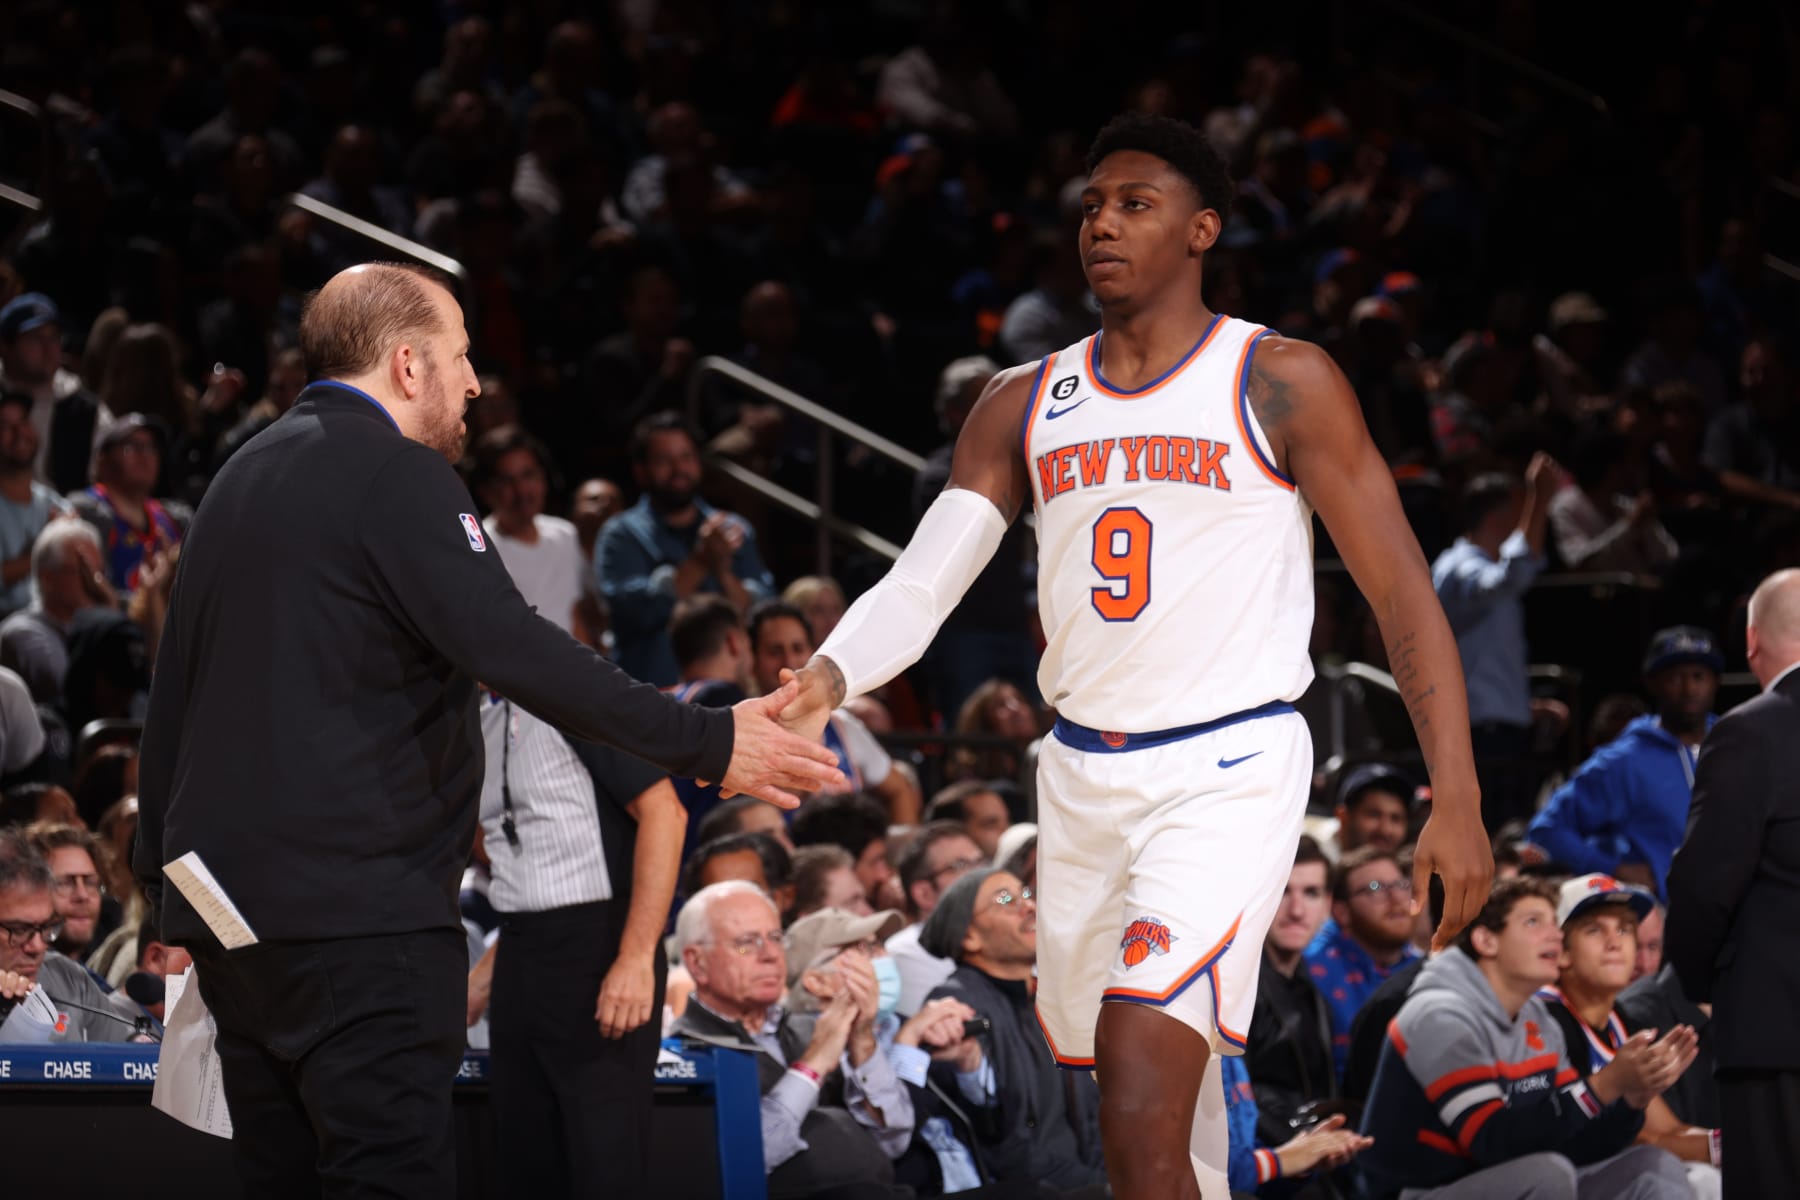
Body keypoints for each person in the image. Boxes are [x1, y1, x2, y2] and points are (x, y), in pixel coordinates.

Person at [779, 112, 1491, 1200]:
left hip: (1227, 763)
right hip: (1079, 774)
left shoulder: (1279, 379)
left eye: (1135, 204)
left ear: (1202, 230)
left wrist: (1461, 794)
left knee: (1137, 1068)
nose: (1103, 223)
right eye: (1092, 205)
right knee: (1157, 1120)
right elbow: (926, 579)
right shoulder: (1020, 400)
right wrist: (827, 678)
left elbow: (1403, 595)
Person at [132, 263, 842, 1199]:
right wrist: (707, 740)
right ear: (406, 364)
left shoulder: (235, 477)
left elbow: (172, 694)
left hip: (234, 927)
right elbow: (512, 644)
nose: (475, 382)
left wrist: (161, 884)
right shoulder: (397, 472)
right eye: (462, 357)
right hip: (361, 921)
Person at [459, 693, 686, 1199]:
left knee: (602, 1166)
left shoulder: (572, 696)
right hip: (519, 948)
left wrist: (635, 957)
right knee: (524, 1164)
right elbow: (523, 868)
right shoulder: (472, 722)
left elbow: (666, 815)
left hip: (602, 950)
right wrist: (483, 979)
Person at [1357, 878, 1695, 1200]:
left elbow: (1576, 1140)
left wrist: (1633, 1099)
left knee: (1651, 1165)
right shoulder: (1439, 1016)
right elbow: (1492, 1140)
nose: (1554, 935)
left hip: (1504, 1179)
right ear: (1486, 940)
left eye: (1554, 923)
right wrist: (1605, 1084)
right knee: (1547, 1174)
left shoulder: (1538, 1019)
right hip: (1419, 1190)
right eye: (1534, 922)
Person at [1666, 568, 1800, 1200]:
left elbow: (1704, 882)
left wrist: (1697, 981)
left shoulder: (1754, 731)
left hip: (1779, 1033)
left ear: (1752, 645)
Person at [670, 880, 915, 1197]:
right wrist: (810, 1068)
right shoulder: (684, 1055)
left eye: (775, 938)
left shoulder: (807, 1028)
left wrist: (863, 1040)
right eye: (747, 943)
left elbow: (894, 1140)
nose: (770, 954)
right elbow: (739, 1160)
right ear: (697, 963)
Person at [921, 867, 1109, 1194]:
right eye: (1005, 900)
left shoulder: (1051, 998)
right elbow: (1002, 1143)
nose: (1029, 906)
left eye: (1026, 894)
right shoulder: (956, 1007)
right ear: (969, 936)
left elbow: (1093, 1116)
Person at [1525, 628, 1722, 898]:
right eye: (1676, 677)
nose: (1689, 688)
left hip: (1738, 915)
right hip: (1665, 922)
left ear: (1715, 681)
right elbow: (1547, 830)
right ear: (1653, 684)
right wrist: (1614, 868)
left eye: (1699, 676)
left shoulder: (1735, 745)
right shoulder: (1623, 761)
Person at [595, 412, 776, 686]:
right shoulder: (620, 534)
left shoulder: (733, 530)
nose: (679, 469)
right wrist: (701, 562)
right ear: (640, 471)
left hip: (728, 698)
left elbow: (759, 614)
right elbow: (634, 612)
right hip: (650, 699)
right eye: (663, 460)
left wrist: (723, 572)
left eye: (686, 457)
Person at [1432, 462, 1558, 831]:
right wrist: (1541, 498)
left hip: (1500, 727)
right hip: (1480, 734)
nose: (1528, 523)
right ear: (1499, 516)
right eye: (1522, 512)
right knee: (1487, 834)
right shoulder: (1457, 567)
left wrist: (1525, 707)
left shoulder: (1476, 564)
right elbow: (1509, 579)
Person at [1245, 836, 1337, 1144]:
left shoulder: (1311, 985)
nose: (1297, 910)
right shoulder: (1237, 986)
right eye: (1283, 890)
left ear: (1327, 905)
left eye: (1311, 893)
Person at [1304, 845, 1421, 1082]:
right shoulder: (1314, 971)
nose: (1396, 898)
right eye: (1375, 888)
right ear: (1341, 912)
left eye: (1401, 885)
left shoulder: (1425, 968)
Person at [473, 424, 590, 641]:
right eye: (508, 480)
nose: (522, 490)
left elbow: (574, 616)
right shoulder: (480, 548)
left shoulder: (564, 534)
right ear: (487, 492)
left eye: (528, 475)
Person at [0, 390, 74, 617]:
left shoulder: (55, 503)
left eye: (24, 421)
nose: (19, 432)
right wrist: (46, 545)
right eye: (4, 425)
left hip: (59, 621)